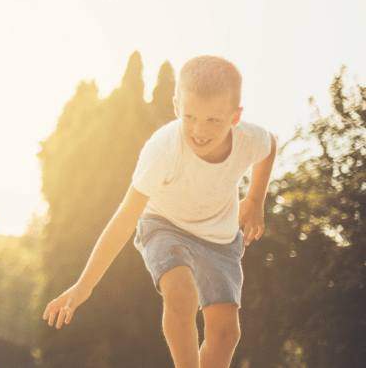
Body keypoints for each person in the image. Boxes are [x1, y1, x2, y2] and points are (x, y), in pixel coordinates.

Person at [42, 55, 277, 368]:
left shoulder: (249, 139)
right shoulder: (163, 150)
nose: (199, 131)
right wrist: (83, 285)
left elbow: (270, 145)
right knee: (182, 294)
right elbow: (126, 218)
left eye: (214, 121)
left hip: (219, 239)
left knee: (225, 335)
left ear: (236, 116)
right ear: (177, 106)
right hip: (164, 225)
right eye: (190, 116)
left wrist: (255, 200)